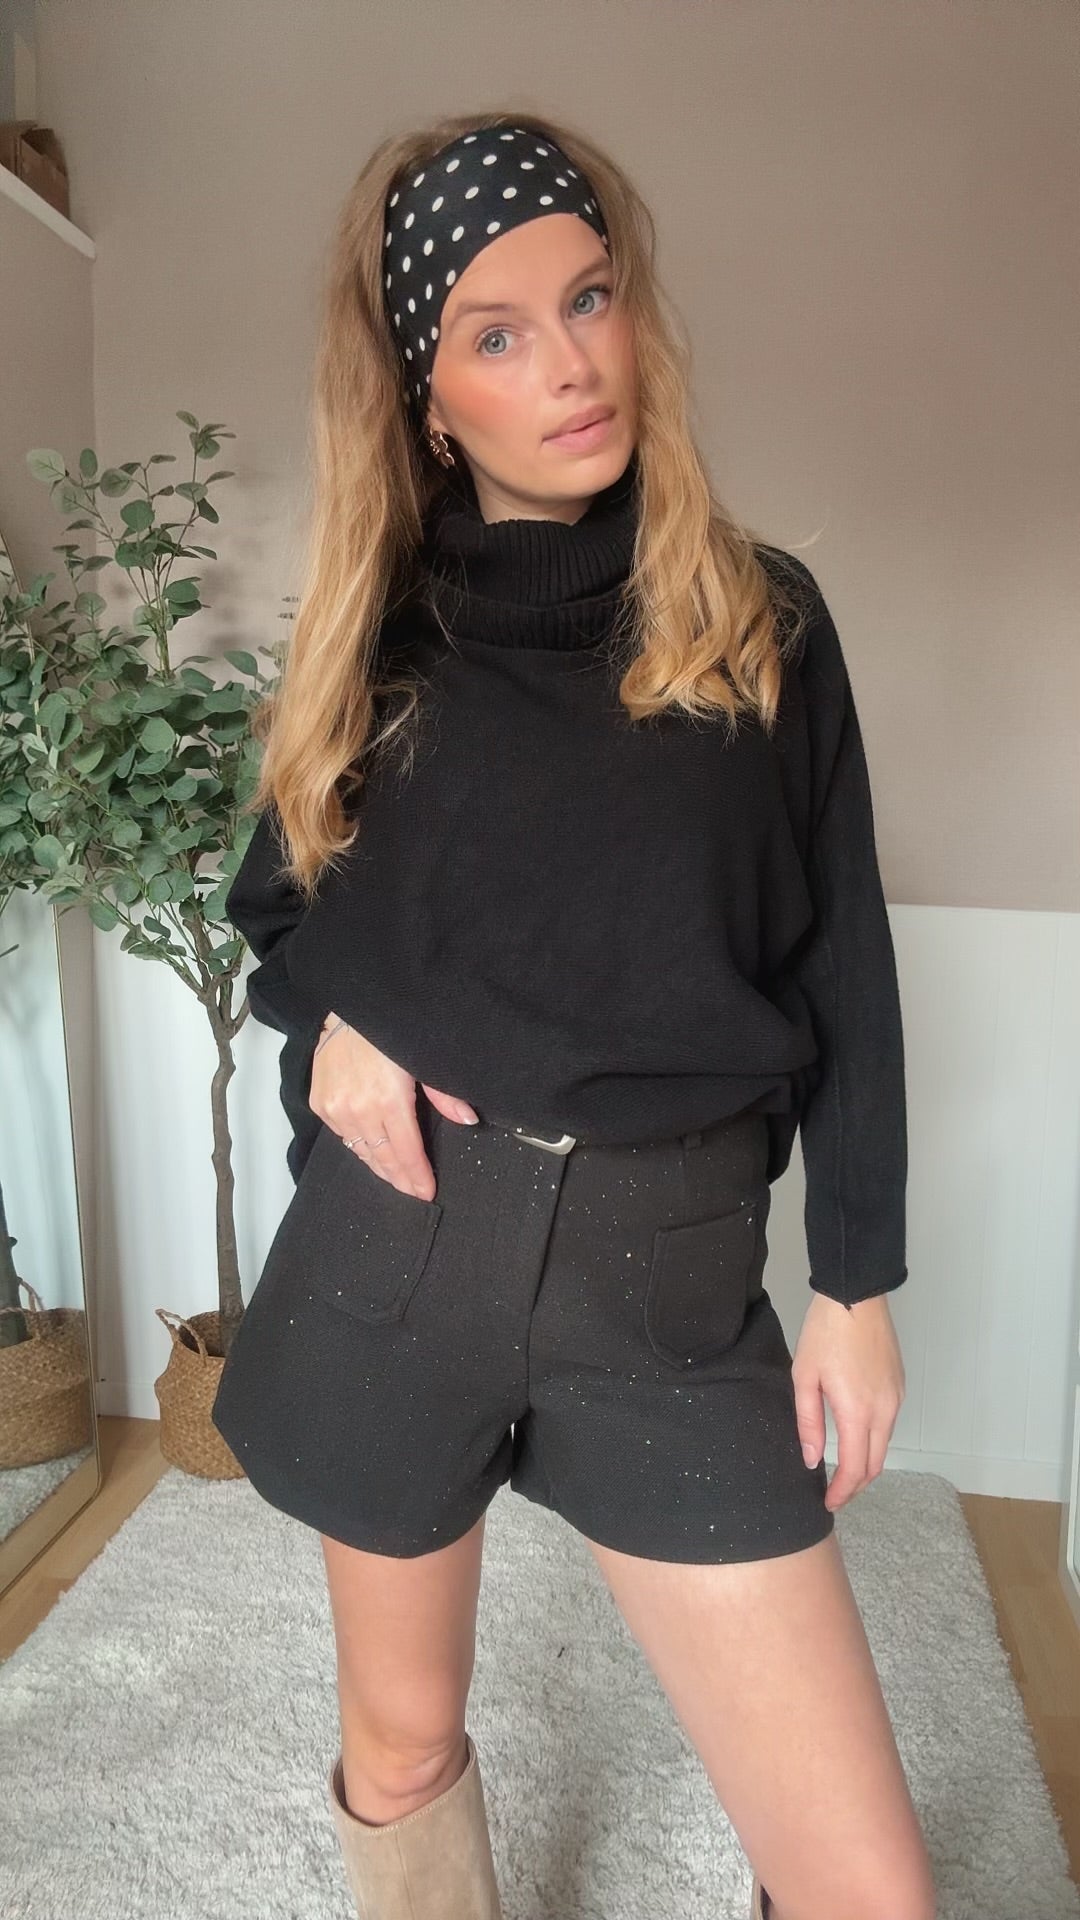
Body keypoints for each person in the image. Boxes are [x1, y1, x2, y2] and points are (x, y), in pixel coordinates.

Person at [211, 110, 937, 1920]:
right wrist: (343, 1021)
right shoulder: (372, 638)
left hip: (662, 1280)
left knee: (866, 1887)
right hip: (399, 1248)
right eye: (499, 330)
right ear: (427, 397)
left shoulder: (757, 620)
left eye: (590, 298)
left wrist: (856, 1284)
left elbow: (842, 963)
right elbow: (279, 911)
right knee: (399, 1754)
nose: (571, 361)